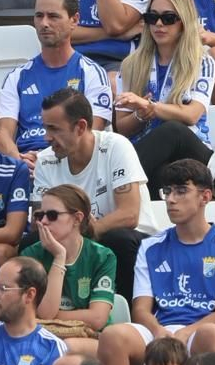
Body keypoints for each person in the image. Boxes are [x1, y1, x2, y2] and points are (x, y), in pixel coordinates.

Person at [94, 158, 215, 365]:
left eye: (181, 191)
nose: (171, 200)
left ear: (205, 197)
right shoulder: (151, 246)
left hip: (199, 331)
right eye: (167, 191)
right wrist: (158, 331)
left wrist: (185, 333)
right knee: (112, 336)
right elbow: (141, 309)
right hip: (159, 330)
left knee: (211, 333)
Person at [32, 87, 158, 291]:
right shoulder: (45, 160)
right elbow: (38, 222)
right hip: (70, 239)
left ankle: (127, 314)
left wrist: (84, 230)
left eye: (54, 129)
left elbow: (129, 215)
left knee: (119, 239)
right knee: (30, 243)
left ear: (80, 127)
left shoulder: (116, 146)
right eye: (46, 128)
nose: (47, 137)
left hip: (131, 238)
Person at [110, 0, 215, 177]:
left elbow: (191, 115)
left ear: (184, 22)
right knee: (162, 175)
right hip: (150, 154)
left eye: (168, 18)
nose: (159, 24)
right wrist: (141, 115)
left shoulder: (202, 61)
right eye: (152, 17)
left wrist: (149, 106)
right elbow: (122, 128)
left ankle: (119, 181)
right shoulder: (130, 64)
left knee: (172, 130)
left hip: (193, 150)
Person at [0, 0, 112, 164]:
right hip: (25, 164)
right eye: (39, 16)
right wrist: (18, 162)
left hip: (70, 163)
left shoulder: (92, 73)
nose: (44, 23)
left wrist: (45, 161)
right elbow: (3, 133)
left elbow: (91, 133)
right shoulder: (17, 76)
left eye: (53, 16)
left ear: (74, 20)